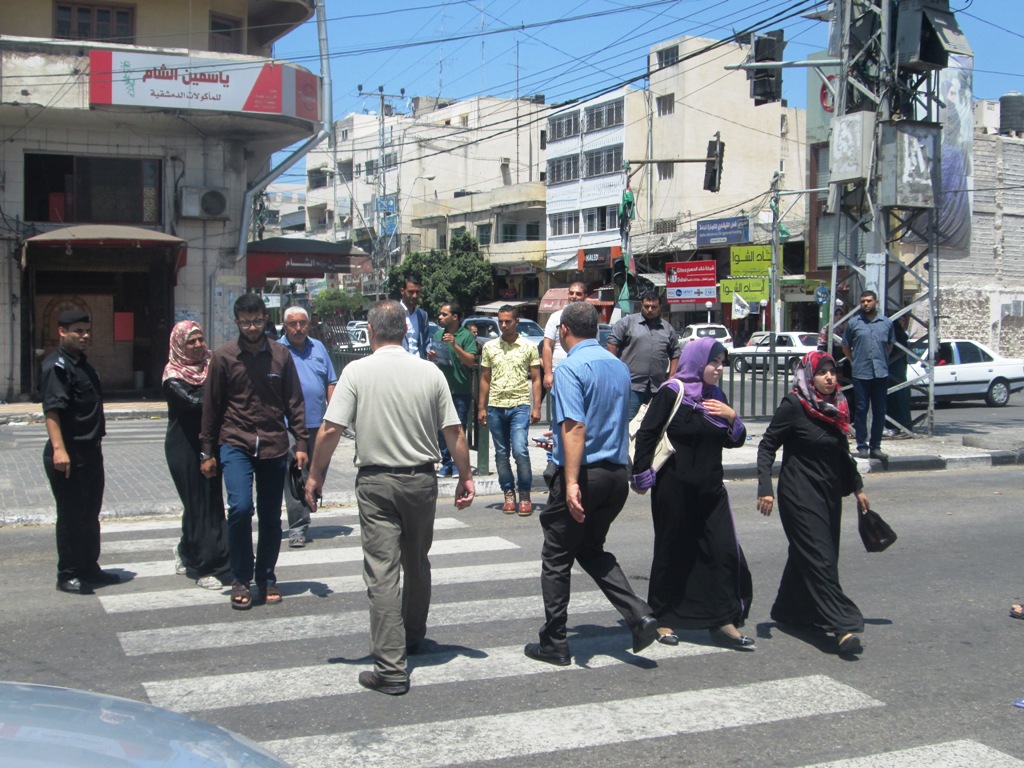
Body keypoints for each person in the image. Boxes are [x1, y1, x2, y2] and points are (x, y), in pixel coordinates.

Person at [304, 300, 475, 696]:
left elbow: (330, 429)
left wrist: (315, 476)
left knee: (382, 572)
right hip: (421, 481)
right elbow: (454, 432)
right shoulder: (429, 372)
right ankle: (412, 636)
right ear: (405, 330)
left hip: (377, 482)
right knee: (417, 562)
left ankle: (390, 666)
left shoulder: (357, 371)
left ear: (371, 331)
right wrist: (465, 476)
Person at [524, 301, 659, 666]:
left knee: (556, 557)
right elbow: (602, 420)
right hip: (615, 475)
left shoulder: (570, 368)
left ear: (564, 331)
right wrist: (562, 443)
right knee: (590, 549)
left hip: (584, 475)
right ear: (597, 330)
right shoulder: (617, 366)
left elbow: (576, 427)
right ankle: (639, 615)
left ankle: (555, 642)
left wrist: (570, 483)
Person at [631, 337, 754, 649]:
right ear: (698, 362)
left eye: (722, 363)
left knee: (723, 552)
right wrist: (642, 474)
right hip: (673, 489)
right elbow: (647, 433)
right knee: (671, 552)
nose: (719, 368)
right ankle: (663, 616)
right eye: (714, 362)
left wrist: (731, 417)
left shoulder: (716, 397)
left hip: (711, 493)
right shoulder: (672, 392)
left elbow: (734, 440)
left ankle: (723, 621)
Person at [756, 351, 870, 655]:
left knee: (812, 553)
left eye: (832, 372)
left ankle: (790, 610)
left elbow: (841, 451)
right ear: (809, 376)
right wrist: (765, 487)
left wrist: (857, 487)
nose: (829, 377)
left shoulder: (836, 407)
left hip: (828, 493)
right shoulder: (794, 405)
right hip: (798, 494)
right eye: (822, 373)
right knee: (820, 558)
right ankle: (842, 624)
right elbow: (767, 446)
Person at [200, 294, 308, 610]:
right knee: (240, 508)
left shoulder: (281, 355)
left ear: (265, 319)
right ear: (237, 322)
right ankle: (240, 578)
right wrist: (207, 451)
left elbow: (294, 401)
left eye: (257, 320)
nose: (252, 327)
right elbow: (211, 406)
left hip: (274, 444)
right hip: (235, 442)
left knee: (271, 516)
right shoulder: (223, 357)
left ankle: (266, 577)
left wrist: (301, 443)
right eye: (246, 322)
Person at [41, 309, 121, 594]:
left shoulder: (82, 365)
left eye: (87, 330)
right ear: (62, 332)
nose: (85, 335)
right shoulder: (57, 366)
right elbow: (52, 410)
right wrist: (59, 450)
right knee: (71, 515)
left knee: (89, 514)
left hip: (90, 451)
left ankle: (89, 567)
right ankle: (68, 573)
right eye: (78, 331)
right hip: (69, 453)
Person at [163, 320, 231, 589]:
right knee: (196, 504)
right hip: (185, 447)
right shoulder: (172, 376)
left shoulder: (212, 365)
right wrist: (223, 396)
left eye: (200, 339)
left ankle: (188, 550)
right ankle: (205, 568)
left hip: (211, 445)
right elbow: (195, 404)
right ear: (179, 345)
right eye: (190, 341)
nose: (197, 345)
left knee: (211, 502)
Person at [278, 306, 337, 548]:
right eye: (293, 324)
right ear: (285, 326)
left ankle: (311, 494)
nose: (298, 328)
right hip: (289, 425)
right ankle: (298, 526)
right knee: (295, 472)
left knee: (316, 470)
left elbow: (331, 381)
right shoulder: (277, 350)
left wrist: (334, 412)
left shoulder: (318, 347)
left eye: (302, 323)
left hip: (319, 423)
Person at [478, 304, 542, 515]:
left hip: (520, 405)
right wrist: (481, 407)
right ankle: (508, 492)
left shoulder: (528, 346)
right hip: (496, 406)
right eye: (501, 321)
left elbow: (536, 378)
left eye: (508, 321)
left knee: (520, 450)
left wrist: (537, 407)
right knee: (501, 453)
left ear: (516, 322)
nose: (504, 325)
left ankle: (524, 493)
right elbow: (485, 378)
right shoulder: (490, 347)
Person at [607, 290, 680, 420]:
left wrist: (671, 376)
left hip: (657, 387)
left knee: (653, 424)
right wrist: (615, 368)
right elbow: (612, 343)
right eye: (647, 306)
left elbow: (675, 353)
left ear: (660, 307)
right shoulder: (628, 322)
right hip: (631, 385)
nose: (650, 310)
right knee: (628, 423)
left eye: (654, 307)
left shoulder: (667, 328)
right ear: (642, 305)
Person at [841, 290, 894, 459]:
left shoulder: (886, 323)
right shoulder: (853, 323)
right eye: (863, 301)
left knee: (879, 411)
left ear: (875, 302)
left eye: (869, 301)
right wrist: (854, 361)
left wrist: (881, 359)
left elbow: (889, 345)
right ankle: (862, 446)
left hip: (880, 373)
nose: (866, 304)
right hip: (861, 373)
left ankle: (875, 447)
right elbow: (845, 346)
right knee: (861, 410)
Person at [428, 301, 477, 477]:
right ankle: (446, 463)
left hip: (460, 390)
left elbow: (470, 361)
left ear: (455, 317)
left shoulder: (466, 336)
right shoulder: (438, 334)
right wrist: (432, 356)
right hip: (443, 389)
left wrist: (455, 345)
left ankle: (459, 465)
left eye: (444, 314)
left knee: (458, 428)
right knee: (442, 429)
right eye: (440, 314)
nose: (440, 317)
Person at [541, 282, 587, 392]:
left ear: (585, 296)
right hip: (558, 370)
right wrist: (548, 373)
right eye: (571, 293)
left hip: (583, 371)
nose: (574, 296)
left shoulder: (589, 317)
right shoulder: (556, 317)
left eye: (578, 294)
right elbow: (547, 345)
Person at [884, 312, 913, 436]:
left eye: (904, 319)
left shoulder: (898, 332)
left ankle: (901, 425)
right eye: (900, 319)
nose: (902, 322)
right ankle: (899, 425)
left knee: (898, 398)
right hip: (893, 369)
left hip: (896, 369)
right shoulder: (893, 330)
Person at [400, 275, 430, 358]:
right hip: (400, 361)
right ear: (402, 291)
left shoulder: (423, 315)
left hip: (418, 361)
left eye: (417, 292)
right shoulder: (393, 313)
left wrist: (429, 352)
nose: (415, 296)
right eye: (411, 292)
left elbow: (426, 342)